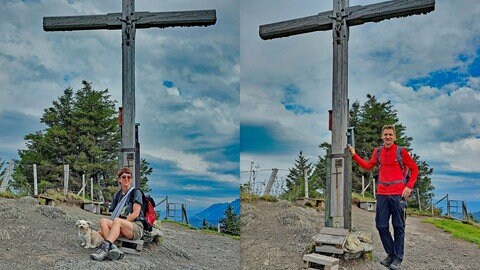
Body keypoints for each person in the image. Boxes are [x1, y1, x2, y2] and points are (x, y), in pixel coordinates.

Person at [348, 125, 418, 270]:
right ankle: (391, 254)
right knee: (381, 226)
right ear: (382, 136)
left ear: (394, 137)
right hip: (382, 194)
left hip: (398, 194)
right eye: (385, 134)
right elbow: (368, 166)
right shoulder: (378, 152)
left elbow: (414, 168)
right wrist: (354, 155)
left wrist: (409, 186)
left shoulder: (401, 152)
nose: (388, 137)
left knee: (399, 226)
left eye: (390, 135)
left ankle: (398, 258)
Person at [90, 167, 145, 261]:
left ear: (131, 179)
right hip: (120, 225)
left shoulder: (136, 192)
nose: (126, 179)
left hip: (135, 227)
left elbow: (136, 213)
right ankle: (113, 249)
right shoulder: (117, 195)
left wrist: (119, 224)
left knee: (117, 221)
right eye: (124, 177)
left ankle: (104, 250)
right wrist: (114, 226)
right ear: (119, 179)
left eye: (129, 177)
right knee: (103, 221)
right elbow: (113, 213)